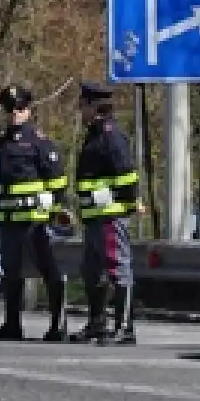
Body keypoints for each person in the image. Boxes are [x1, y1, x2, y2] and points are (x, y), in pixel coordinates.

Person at [0, 84, 69, 342]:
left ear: (28, 111)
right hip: (10, 220)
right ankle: (12, 324)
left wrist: (56, 212)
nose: (14, 114)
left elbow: (57, 181)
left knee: (49, 271)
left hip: (35, 220)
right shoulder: (1, 144)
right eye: (10, 110)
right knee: (11, 272)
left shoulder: (39, 142)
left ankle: (58, 325)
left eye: (19, 109)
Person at [73, 81, 141, 345]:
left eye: (83, 104)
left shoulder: (111, 136)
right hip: (94, 216)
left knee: (117, 267)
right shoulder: (96, 134)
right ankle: (97, 324)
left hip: (109, 215)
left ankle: (125, 327)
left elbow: (127, 175)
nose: (80, 109)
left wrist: (123, 201)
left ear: (94, 105)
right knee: (92, 270)